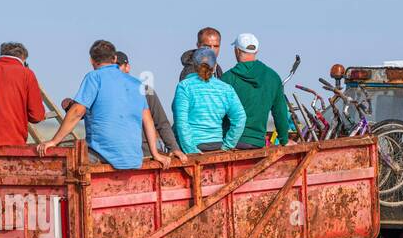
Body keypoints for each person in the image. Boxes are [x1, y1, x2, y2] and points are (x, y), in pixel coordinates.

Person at [36, 39, 169, 169]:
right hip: (133, 159)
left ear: (91, 60)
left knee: (61, 162)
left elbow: (77, 112)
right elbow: (148, 120)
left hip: (102, 156)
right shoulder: (136, 84)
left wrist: (54, 141)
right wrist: (155, 153)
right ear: (114, 58)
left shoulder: (94, 77)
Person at [221, 33, 293, 149]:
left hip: (229, 143)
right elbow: (280, 112)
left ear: (237, 51)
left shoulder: (227, 78)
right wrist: (284, 140)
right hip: (256, 144)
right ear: (256, 51)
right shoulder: (273, 77)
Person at [171, 47, 246, 153]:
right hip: (217, 145)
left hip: (194, 146)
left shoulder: (184, 86)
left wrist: (191, 150)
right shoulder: (226, 88)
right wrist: (228, 145)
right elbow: (240, 118)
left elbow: (181, 122)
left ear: (195, 66)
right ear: (215, 67)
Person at [115, 50, 183, 160]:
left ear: (127, 67)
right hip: (115, 154)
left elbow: (162, 123)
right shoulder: (101, 91)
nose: (114, 70)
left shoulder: (145, 91)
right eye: (111, 66)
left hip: (144, 154)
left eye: (118, 65)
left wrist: (174, 148)